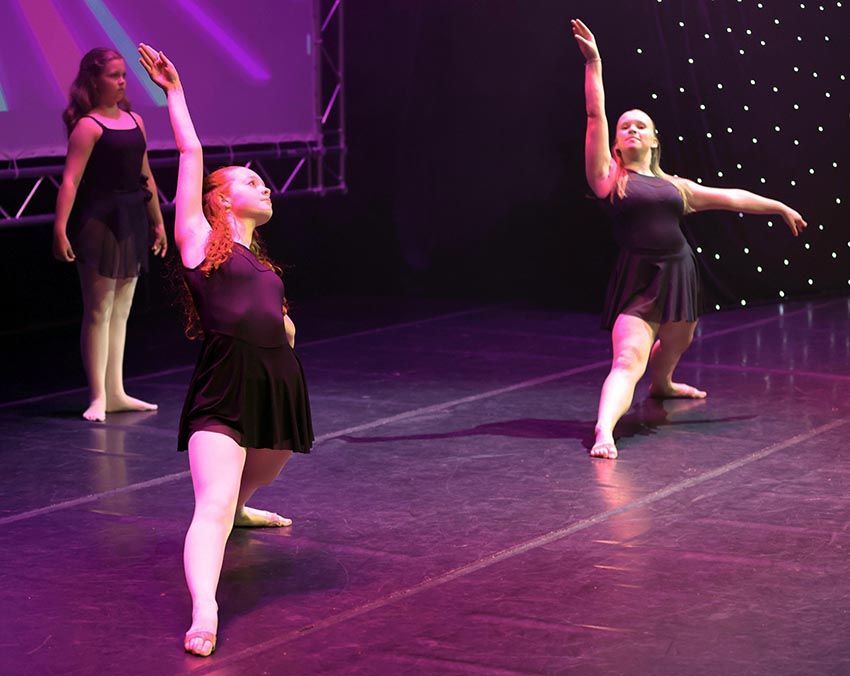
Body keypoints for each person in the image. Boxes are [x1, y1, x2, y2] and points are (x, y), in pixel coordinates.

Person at [137, 43, 314, 657]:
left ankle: (241, 507)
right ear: (218, 199)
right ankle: (206, 609)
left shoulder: (257, 259)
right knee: (210, 502)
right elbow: (191, 153)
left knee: (263, 470)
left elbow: (273, 315)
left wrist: (285, 331)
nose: (264, 187)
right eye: (250, 181)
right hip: (226, 384)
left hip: (276, 384)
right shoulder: (196, 238)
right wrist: (175, 93)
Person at [571, 19, 806, 460]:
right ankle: (604, 430)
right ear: (615, 145)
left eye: (641, 126)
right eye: (625, 127)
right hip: (638, 281)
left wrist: (778, 206)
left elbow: (731, 197)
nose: (631, 130)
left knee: (677, 342)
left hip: (680, 276)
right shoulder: (609, 178)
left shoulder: (677, 186)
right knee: (628, 360)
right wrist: (594, 62)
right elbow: (594, 114)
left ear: (654, 141)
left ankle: (663, 385)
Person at [53, 47, 167, 422]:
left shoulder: (135, 121)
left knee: (122, 309)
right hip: (99, 221)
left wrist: (158, 221)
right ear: (94, 80)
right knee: (99, 309)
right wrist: (60, 228)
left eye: (123, 75)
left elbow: (145, 174)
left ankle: (116, 391)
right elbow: (70, 181)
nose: (121, 82)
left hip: (131, 217)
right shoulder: (88, 126)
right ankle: (98, 395)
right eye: (114, 75)